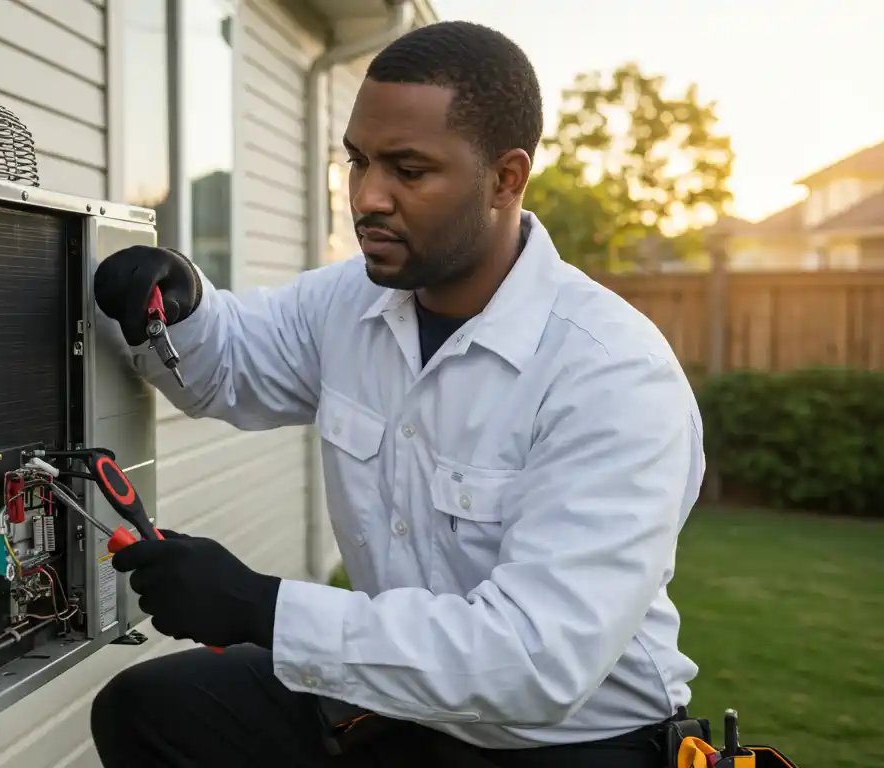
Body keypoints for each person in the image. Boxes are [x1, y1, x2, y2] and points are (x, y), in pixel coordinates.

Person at [88, 19, 704, 768]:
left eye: (408, 170)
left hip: (569, 739)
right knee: (153, 711)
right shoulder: (352, 303)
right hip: (397, 704)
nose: (367, 197)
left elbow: (536, 663)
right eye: (357, 161)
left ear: (505, 179)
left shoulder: (611, 374)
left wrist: (262, 607)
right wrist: (180, 307)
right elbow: (233, 368)